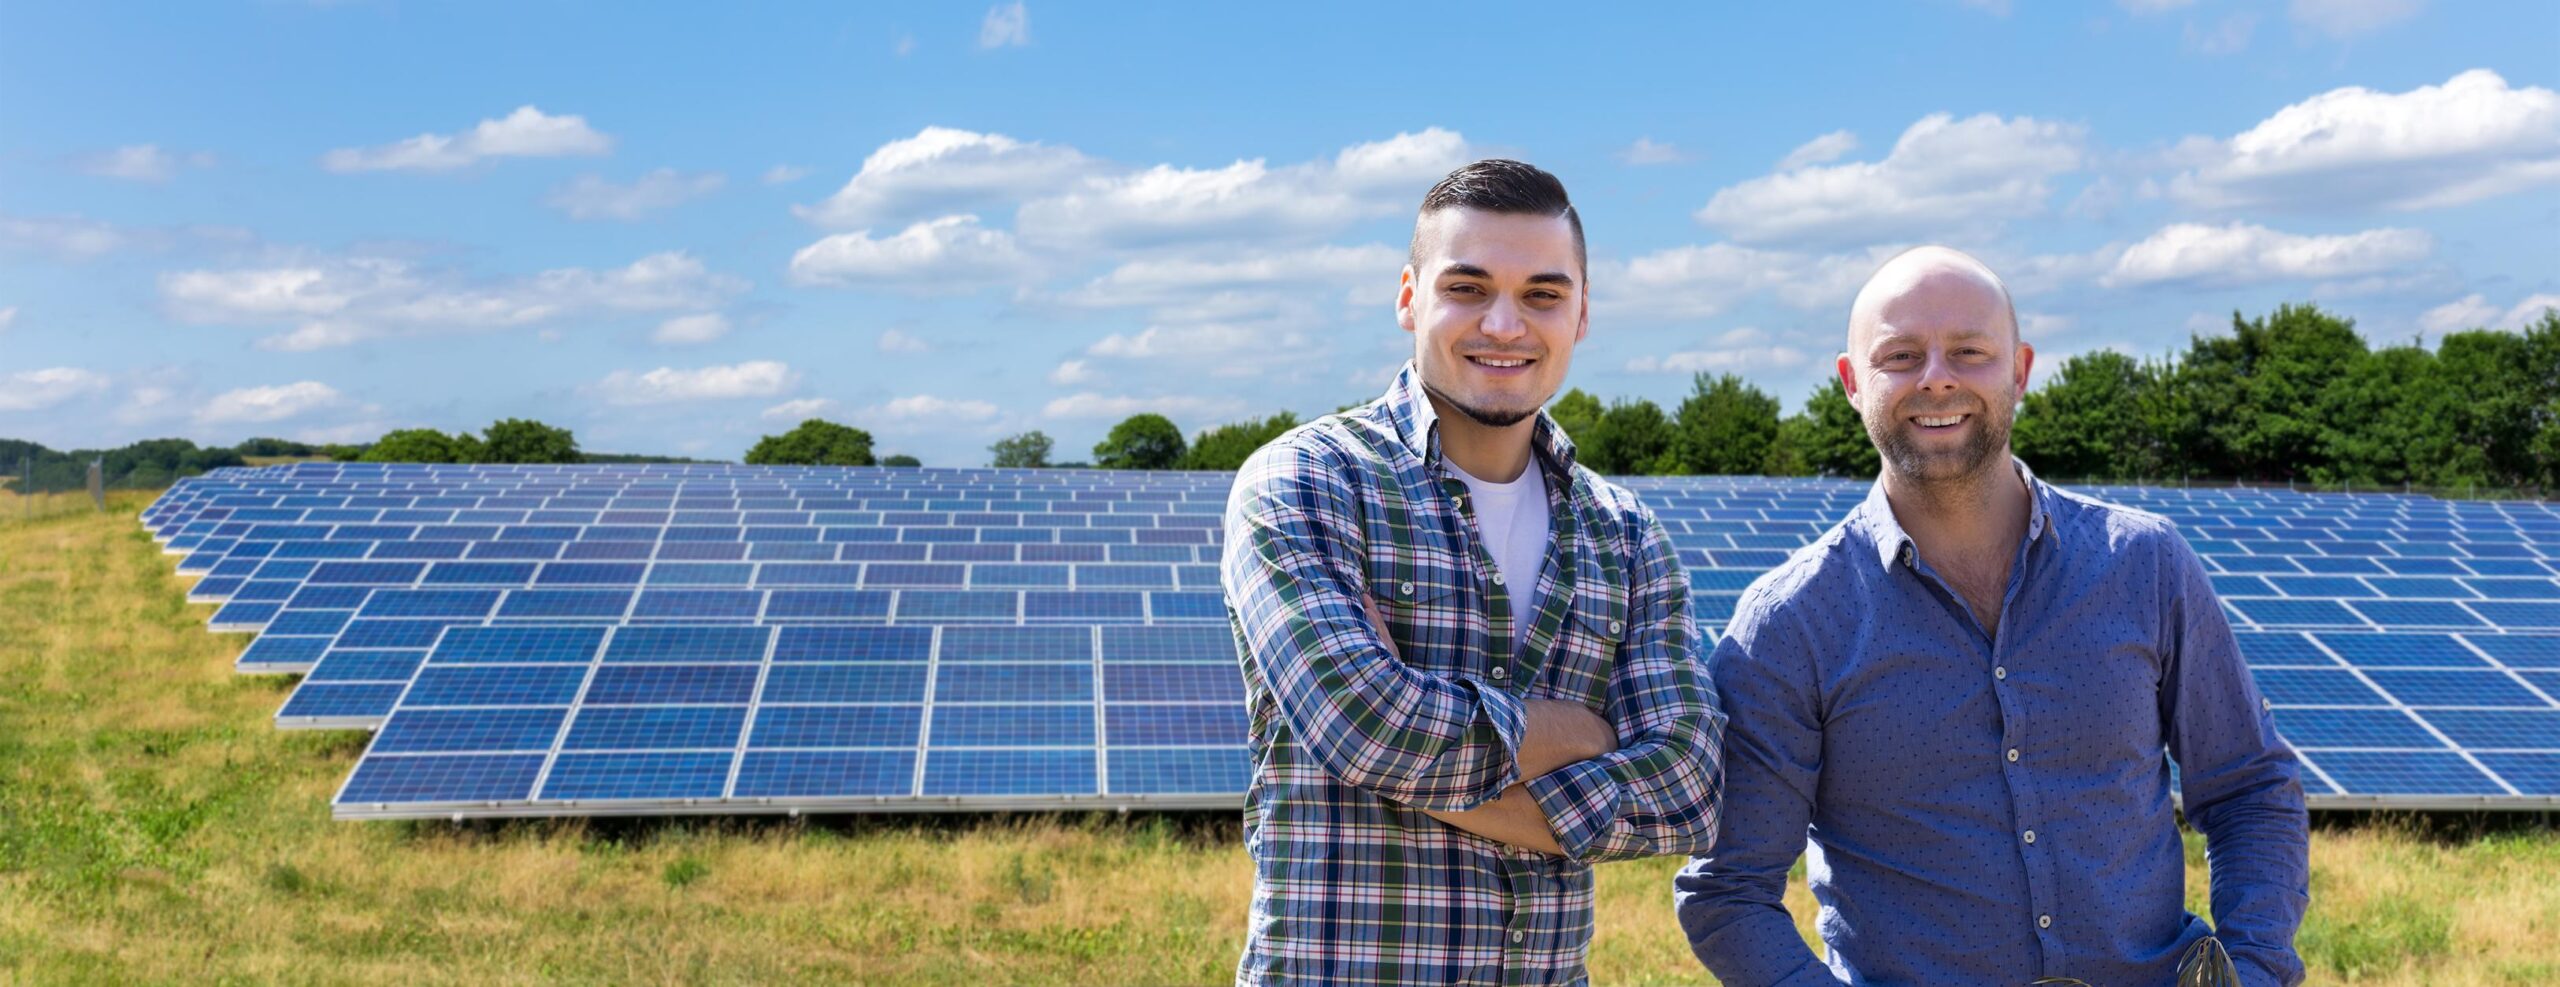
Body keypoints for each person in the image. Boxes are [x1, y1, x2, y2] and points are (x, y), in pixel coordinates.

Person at [1674, 246, 2311, 986]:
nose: (1936, 377)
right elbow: (1729, 889)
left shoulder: (2145, 565)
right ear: (1852, 383)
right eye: (1901, 355)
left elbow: (2249, 788)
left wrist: (2257, 967)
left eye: (1970, 352)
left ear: (2020, 368)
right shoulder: (1791, 624)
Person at [1222, 159, 1727, 986]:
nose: (1504, 324)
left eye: (1542, 294)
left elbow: (1688, 784)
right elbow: (1370, 727)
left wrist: (1414, 762)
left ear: (1582, 314)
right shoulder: (1308, 482)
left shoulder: (1623, 535)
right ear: (1409, 296)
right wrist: (1589, 734)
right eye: (1467, 287)